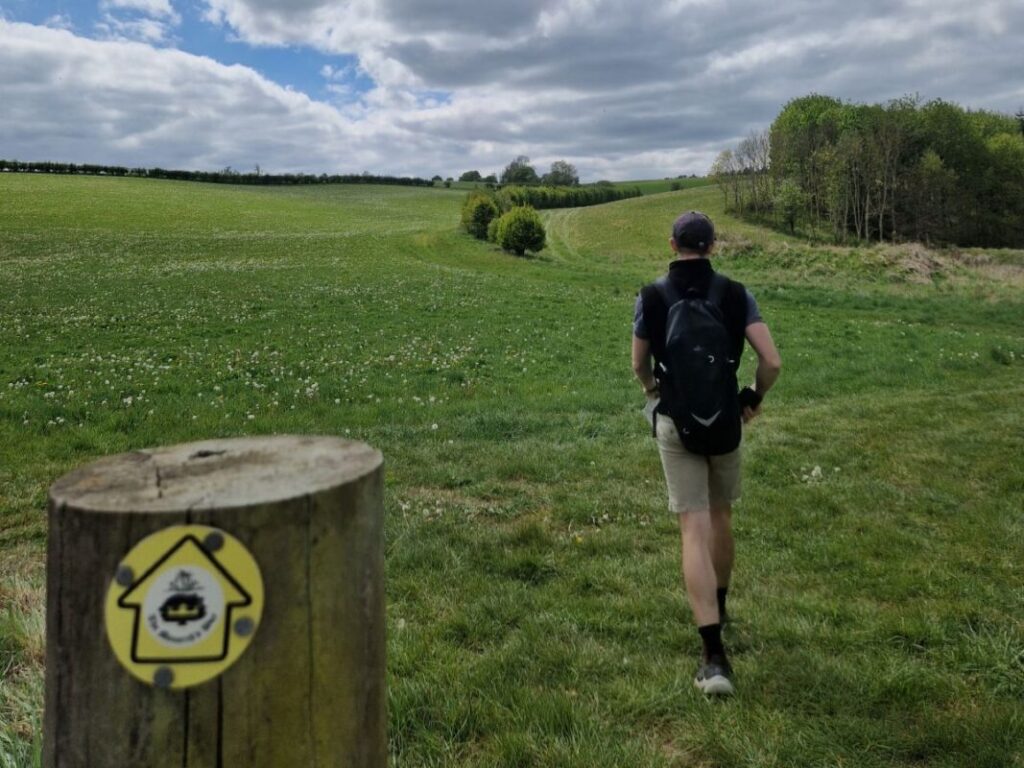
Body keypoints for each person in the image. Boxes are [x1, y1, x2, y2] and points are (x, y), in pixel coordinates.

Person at [632, 211, 781, 695]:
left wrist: (655, 392)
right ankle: (722, 603)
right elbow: (772, 361)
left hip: (677, 423)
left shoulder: (652, 296)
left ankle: (713, 658)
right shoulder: (737, 294)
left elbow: (638, 362)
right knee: (720, 518)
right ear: (713, 246)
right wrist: (752, 399)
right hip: (726, 422)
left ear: (672, 244)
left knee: (692, 527)